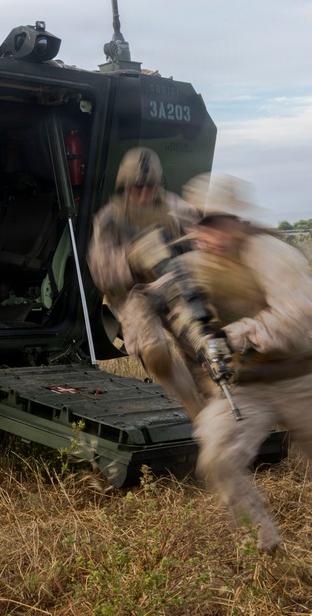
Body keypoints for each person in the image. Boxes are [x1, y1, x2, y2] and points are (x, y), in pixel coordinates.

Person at [180, 173, 312, 554]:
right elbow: (162, 301)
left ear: (238, 222)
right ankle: (265, 546)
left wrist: (237, 335)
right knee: (217, 456)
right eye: (198, 223)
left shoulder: (272, 254)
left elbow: (299, 314)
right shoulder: (191, 264)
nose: (204, 233)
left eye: (213, 222)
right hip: (246, 385)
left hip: (299, 376)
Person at [88, 147, 206, 420]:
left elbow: (202, 244)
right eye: (137, 188)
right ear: (125, 186)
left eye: (150, 187)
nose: (144, 194)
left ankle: (214, 403)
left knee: (201, 345)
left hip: (174, 287)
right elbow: (101, 273)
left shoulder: (176, 208)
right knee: (155, 352)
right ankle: (192, 404)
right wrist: (131, 259)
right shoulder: (110, 218)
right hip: (133, 296)